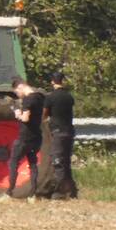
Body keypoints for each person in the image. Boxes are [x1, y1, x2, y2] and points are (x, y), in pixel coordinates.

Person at [0, 77, 45, 201]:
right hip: (36, 137)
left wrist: (17, 114)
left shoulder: (28, 100)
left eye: (16, 92)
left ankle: (9, 193)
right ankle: (32, 195)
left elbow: (25, 119)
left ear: (20, 86)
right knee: (33, 164)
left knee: (13, 162)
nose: (18, 95)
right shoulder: (40, 97)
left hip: (25, 138)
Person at [44, 71, 78, 199]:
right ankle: (72, 191)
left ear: (52, 81)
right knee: (66, 162)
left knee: (57, 161)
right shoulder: (69, 97)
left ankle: (59, 192)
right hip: (69, 131)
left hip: (57, 132)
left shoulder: (50, 97)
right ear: (62, 81)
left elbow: (45, 114)